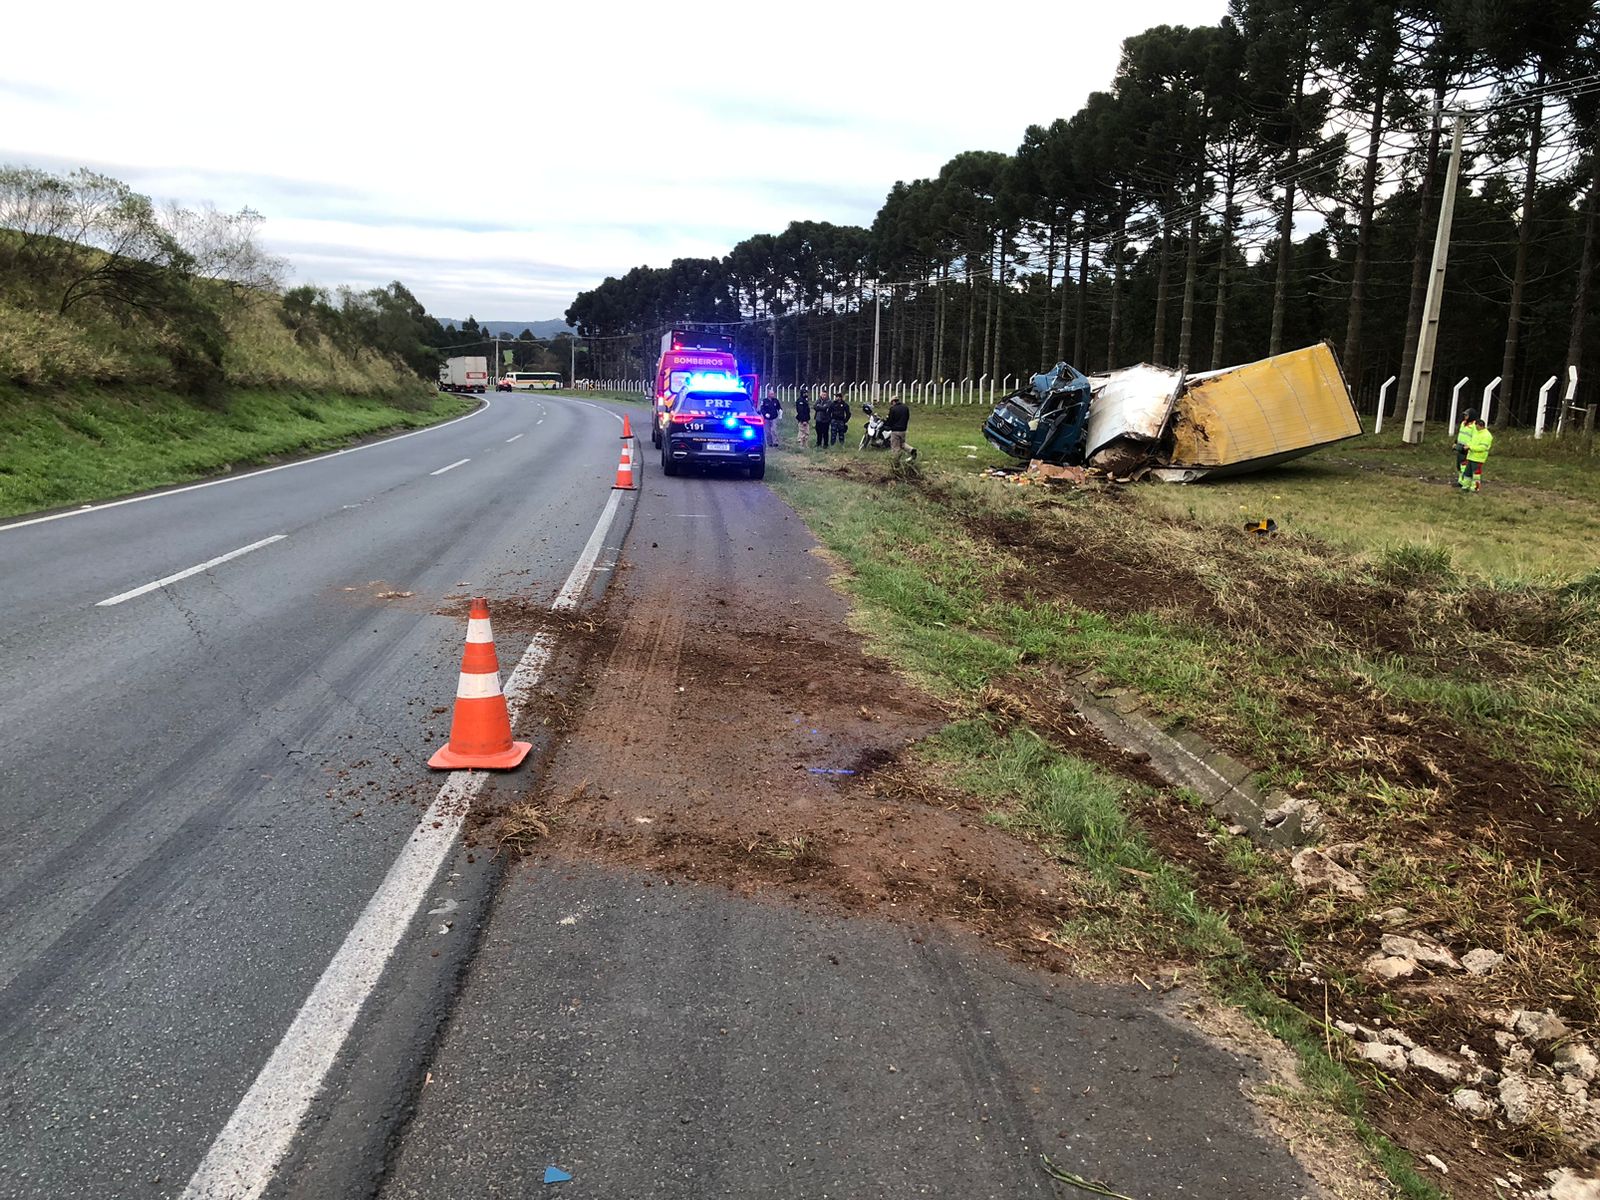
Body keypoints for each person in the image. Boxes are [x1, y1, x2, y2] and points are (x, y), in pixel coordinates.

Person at [1460, 417, 1493, 492]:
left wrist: (1470, 447)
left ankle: (1475, 488)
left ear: (1480, 426)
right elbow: (1471, 441)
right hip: (1471, 456)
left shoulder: (1487, 435)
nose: (1475, 428)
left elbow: (1482, 448)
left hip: (1478, 458)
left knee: (1476, 475)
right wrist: (1467, 445)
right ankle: (1465, 486)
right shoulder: (1476, 433)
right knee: (1467, 473)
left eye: (1476, 426)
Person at [884, 395, 917, 462]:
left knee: (895, 447)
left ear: (893, 401)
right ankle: (911, 449)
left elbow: (890, 420)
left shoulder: (893, 409)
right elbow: (907, 417)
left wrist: (887, 424)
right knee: (902, 444)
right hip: (903, 430)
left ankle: (896, 462)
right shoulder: (905, 408)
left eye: (891, 403)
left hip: (895, 430)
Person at [1454, 408, 1477, 481]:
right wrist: (1455, 443)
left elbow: (1475, 437)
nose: (1465, 416)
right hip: (1460, 447)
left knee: (1465, 466)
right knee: (1459, 465)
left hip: (1467, 448)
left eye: (1466, 415)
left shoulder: (1474, 425)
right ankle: (1461, 480)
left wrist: (1469, 446)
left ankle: (1464, 481)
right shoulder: (1463, 423)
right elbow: (1460, 434)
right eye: (1464, 415)